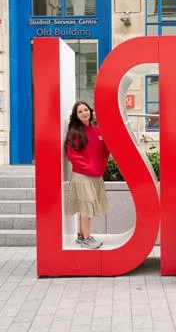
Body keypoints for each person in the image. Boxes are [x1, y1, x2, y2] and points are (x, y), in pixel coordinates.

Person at [65, 100, 109, 249]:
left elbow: (105, 152)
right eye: (80, 111)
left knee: (87, 208)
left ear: (90, 111)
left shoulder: (98, 131)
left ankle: (81, 235)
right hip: (82, 176)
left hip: (96, 175)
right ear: (76, 116)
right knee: (86, 208)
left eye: (86, 110)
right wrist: (90, 167)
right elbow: (72, 155)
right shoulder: (75, 133)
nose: (84, 113)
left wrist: (101, 167)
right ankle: (86, 238)